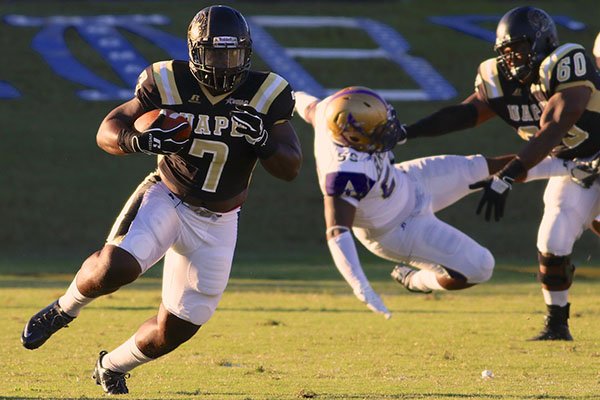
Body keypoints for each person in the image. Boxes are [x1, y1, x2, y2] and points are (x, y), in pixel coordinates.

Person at [20, 5, 302, 395]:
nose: (222, 63)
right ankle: (64, 309)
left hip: (220, 220)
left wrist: (264, 140)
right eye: (213, 53)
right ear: (193, 51)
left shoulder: (268, 92)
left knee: (178, 328)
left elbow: (290, 168)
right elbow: (109, 129)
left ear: (246, 52)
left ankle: (111, 365)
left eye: (231, 53)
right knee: (116, 267)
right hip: (168, 195)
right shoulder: (167, 79)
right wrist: (139, 140)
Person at [294, 86, 578, 318]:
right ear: (354, 137)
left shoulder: (330, 111)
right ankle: (416, 281)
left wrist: (282, 94)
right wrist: (361, 287)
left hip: (407, 181)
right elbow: (337, 233)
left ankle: (574, 167)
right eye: (381, 130)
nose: (390, 131)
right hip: (396, 229)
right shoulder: (345, 173)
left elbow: (300, 101)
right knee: (480, 266)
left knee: (479, 166)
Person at [404, 6, 600, 340]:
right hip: (572, 166)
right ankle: (557, 326)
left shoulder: (567, 64)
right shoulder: (497, 79)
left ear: (541, 44)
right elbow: (465, 114)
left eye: (519, 49)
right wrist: (410, 131)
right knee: (552, 239)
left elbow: (554, 127)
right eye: (506, 52)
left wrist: (510, 173)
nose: (512, 59)